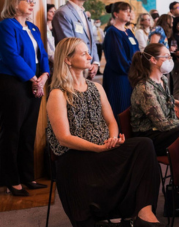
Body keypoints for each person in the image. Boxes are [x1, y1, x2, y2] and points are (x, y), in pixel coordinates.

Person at [46, 38, 161, 227]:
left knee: (144, 145)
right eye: (83, 53)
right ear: (67, 60)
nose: (90, 57)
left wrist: (113, 139)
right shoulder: (58, 93)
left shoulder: (96, 87)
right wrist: (98, 148)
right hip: (76, 156)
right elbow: (63, 138)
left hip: (103, 147)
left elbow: (111, 121)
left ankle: (145, 213)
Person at [0, 0, 50, 196]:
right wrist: (33, 79)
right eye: (27, 0)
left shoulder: (32, 27)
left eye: (33, 1)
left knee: (29, 130)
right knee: (12, 132)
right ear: (14, 3)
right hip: (14, 82)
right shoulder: (6, 25)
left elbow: (43, 54)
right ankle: (12, 180)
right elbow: (10, 56)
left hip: (36, 79)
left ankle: (27, 176)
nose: (32, 4)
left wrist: (45, 75)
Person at [129, 43, 179, 155]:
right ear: (153, 60)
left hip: (160, 131)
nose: (170, 59)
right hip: (148, 137)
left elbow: (167, 112)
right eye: (166, 56)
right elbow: (162, 124)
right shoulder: (144, 88)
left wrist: (172, 103)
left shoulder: (163, 79)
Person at [52, 0, 99, 79]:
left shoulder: (84, 13)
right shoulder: (63, 13)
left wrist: (95, 62)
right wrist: (87, 64)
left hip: (88, 67)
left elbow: (91, 40)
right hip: (72, 70)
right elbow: (68, 44)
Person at [103, 2, 140, 117]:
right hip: (119, 77)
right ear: (116, 14)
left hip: (132, 75)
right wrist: (135, 70)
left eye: (130, 10)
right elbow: (118, 59)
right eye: (125, 10)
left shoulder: (128, 31)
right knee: (120, 108)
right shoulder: (112, 32)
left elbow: (137, 52)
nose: (129, 13)